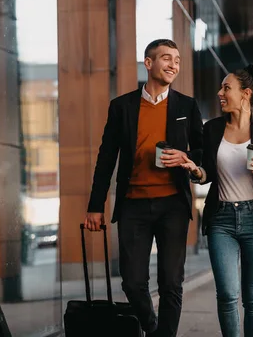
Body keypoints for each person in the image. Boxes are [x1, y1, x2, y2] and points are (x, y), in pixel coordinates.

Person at [83, 39, 203, 337]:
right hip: (133, 205)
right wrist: (95, 206)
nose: (174, 64)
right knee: (133, 282)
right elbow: (106, 158)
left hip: (173, 204)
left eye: (177, 59)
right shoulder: (121, 106)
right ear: (148, 63)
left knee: (171, 283)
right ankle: (152, 329)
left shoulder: (187, 106)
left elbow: (203, 155)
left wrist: (187, 158)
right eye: (166, 58)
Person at [180, 64, 253, 337]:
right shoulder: (212, 129)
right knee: (226, 293)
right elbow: (208, 174)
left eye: (227, 88)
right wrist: (197, 172)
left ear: (245, 94)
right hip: (221, 220)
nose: (220, 93)